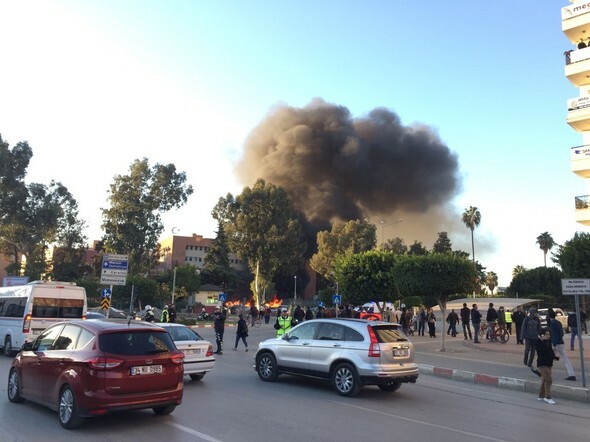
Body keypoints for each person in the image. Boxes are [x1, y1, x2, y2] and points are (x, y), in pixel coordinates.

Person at [548, 309, 576, 381]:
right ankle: (571, 374)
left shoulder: (552, 324)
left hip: (556, 343)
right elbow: (561, 334)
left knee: (549, 358)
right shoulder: (558, 323)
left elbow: (554, 334)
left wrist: (553, 344)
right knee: (565, 359)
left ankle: (546, 373)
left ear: (548, 316)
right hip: (561, 342)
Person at [534, 328, 559, 404]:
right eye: (547, 334)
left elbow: (550, 352)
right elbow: (540, 350)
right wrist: (542, 340)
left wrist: (554, 357)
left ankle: (541, 396)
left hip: (548, 364)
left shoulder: (548, 342)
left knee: (545, 380)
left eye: (549, 334)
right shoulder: (539, 342)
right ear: (542, 335)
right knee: (549, 380)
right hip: (542, 364)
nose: (549, 335)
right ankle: (547, 397)